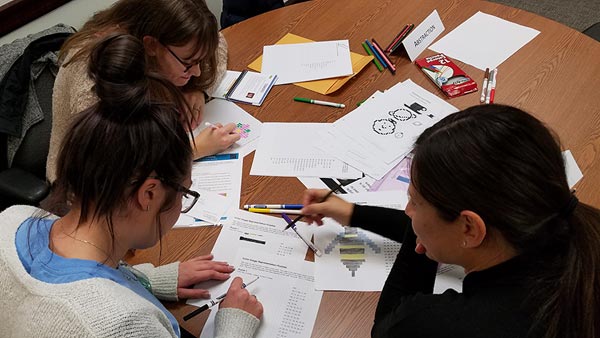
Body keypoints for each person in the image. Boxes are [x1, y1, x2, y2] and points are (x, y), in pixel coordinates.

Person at [0, 34, 262, 337]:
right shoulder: (126, 325)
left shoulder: (11, 220)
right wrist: (234, 324)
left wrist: (144, 280)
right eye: (184, 193)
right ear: (149, 193)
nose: (181, 204)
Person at [300, 104, 600, 338]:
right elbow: (438, 225)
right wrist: (353, 212)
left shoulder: (445, 326)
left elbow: (388, 327)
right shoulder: (563, 227)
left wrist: (421, 239)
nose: (407, 211)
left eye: (414, 202)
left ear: (469, 228)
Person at [47, 0, 241, 183]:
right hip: (83, 191)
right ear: (151, 45)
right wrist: (193, 149)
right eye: (188, 63)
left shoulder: (162, 39)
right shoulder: (98, 75)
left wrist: (198, 89)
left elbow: (218, 45)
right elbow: (113, 170)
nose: (197, 71)